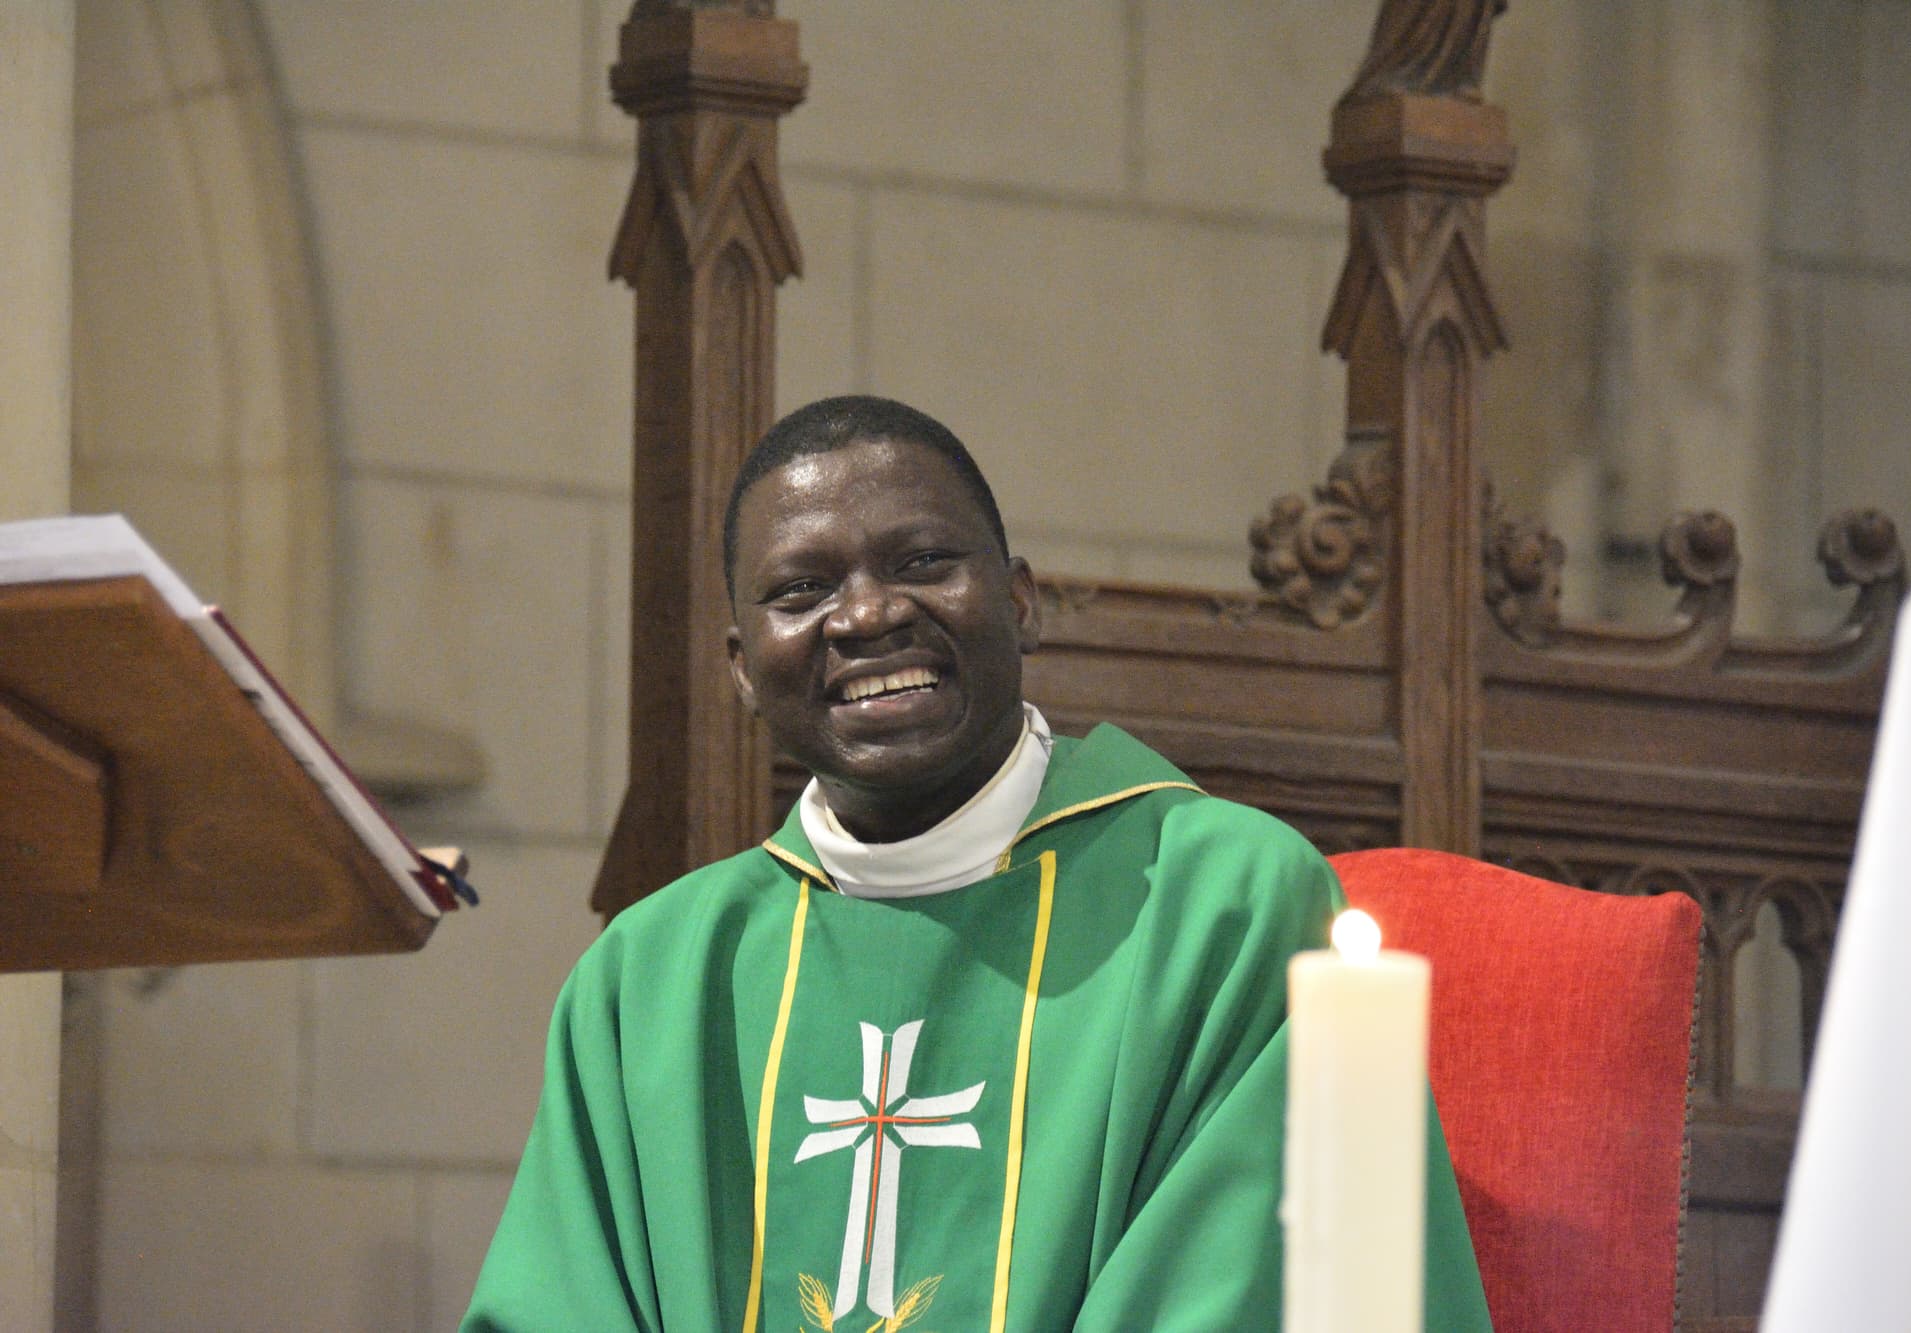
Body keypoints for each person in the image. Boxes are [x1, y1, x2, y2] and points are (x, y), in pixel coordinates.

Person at [464, 395, 1490, 1331]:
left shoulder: (1222, 904)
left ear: (1021, 602)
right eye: (801, 589)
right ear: (741, 665)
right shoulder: (649, 981)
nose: (866, 616)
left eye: (919, 563)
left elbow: (1250, 1289)